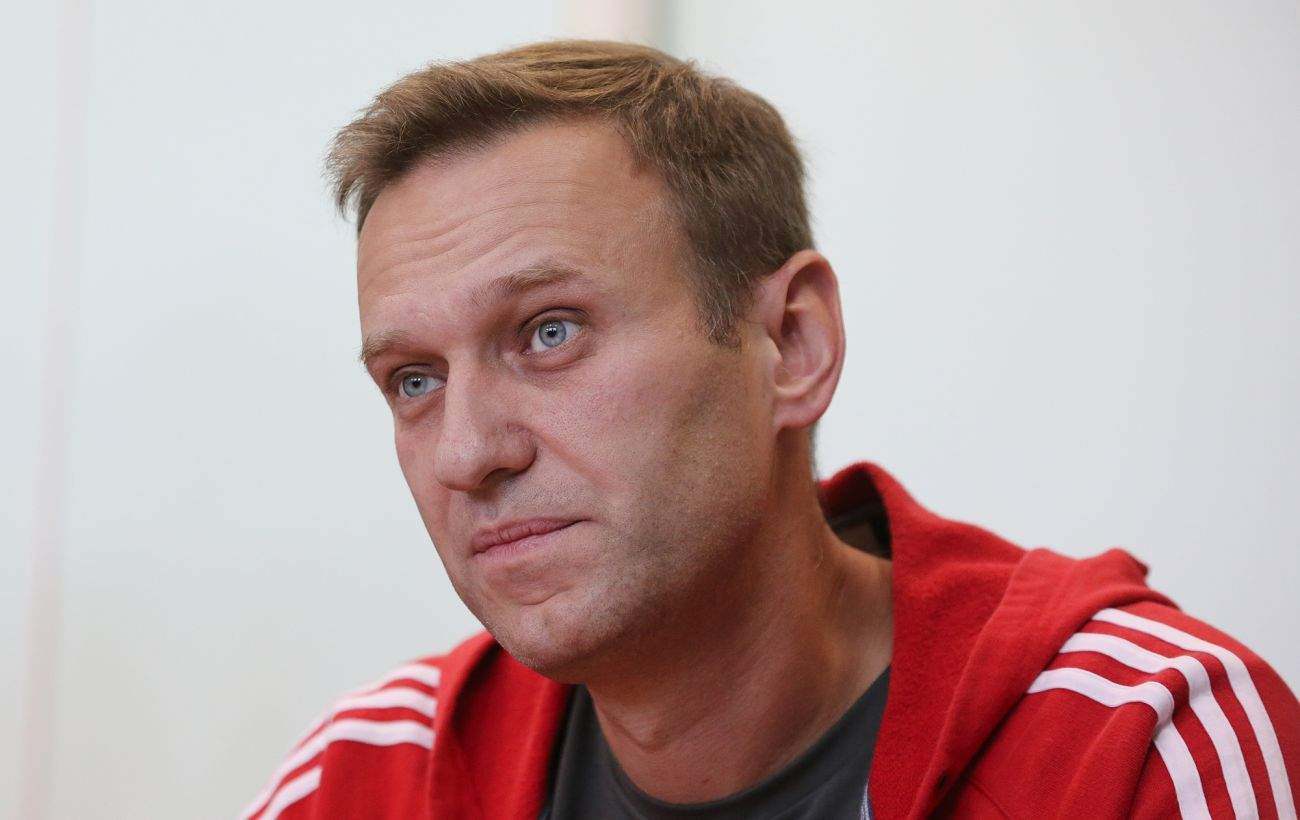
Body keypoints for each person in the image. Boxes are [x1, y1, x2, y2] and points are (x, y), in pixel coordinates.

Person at [243, 40, 1298, 819]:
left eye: (549, 332)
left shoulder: (1137, 746)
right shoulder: (362, 780)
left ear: (790, 343)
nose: (469, 453)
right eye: (414, 380)